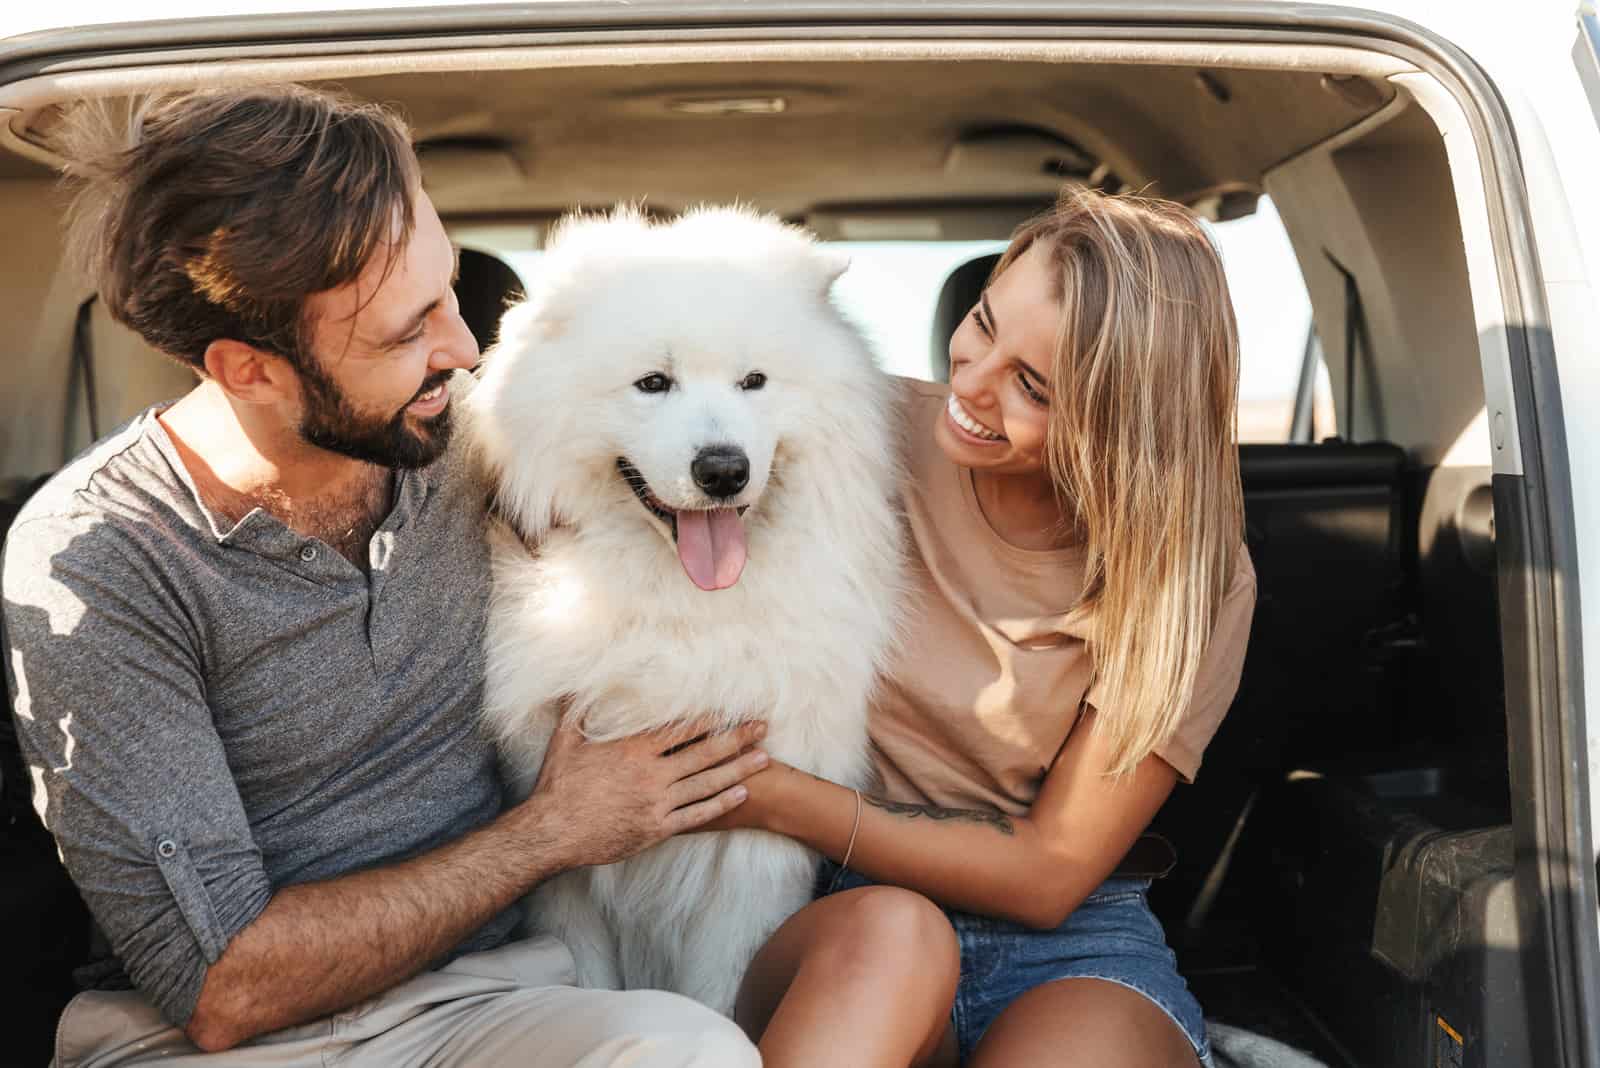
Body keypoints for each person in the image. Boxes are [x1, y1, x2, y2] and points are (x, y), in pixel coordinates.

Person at [0, 85, 768, 1067]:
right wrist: (549, 833)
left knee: (689, 1051)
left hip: (488, 1003)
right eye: (406, 335)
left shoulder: (475, 431)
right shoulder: (104, 559)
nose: (460, 347)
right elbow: (221, 989)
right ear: (249, 371)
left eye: (449, 290)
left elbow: (787, 422)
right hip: (213, 1045)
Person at [719, 187, 1258, 1068]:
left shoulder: (1191, 573)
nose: (969, 384)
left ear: (1119, 422)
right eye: (981, 323)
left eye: (1032, 387)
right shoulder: (844, 422)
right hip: (839, 913)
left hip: (1072, 943)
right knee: (892, 934)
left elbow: (1051, 875)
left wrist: (773, 793)